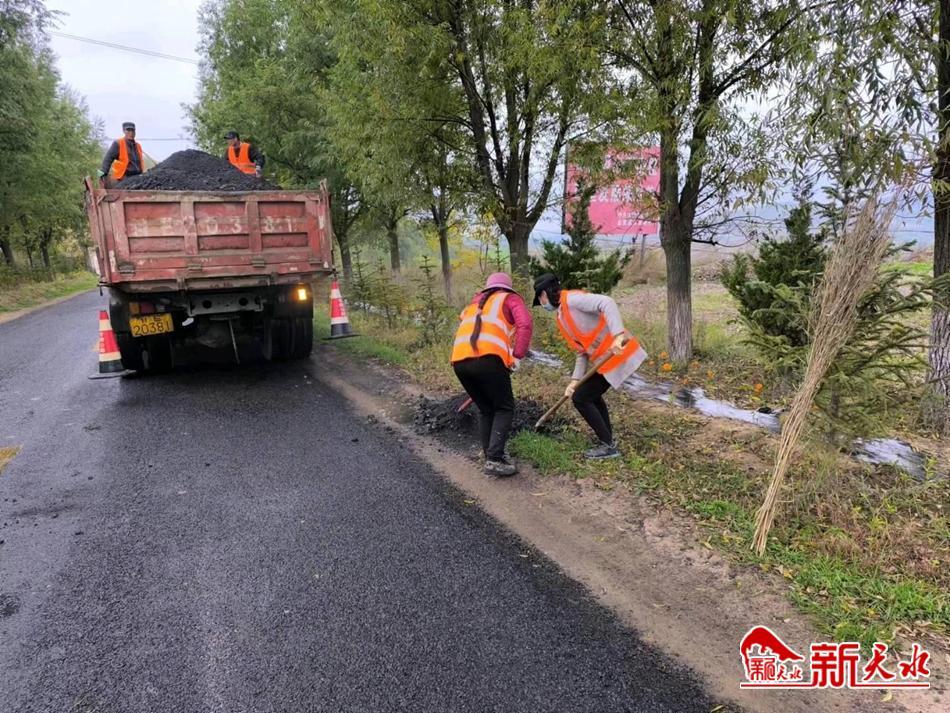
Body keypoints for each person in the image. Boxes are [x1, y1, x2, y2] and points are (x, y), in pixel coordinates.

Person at [532, 272, 647, 459]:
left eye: (540, 298)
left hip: (619, 352)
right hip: (605, 361)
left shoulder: (573, 300)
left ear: (545, 293)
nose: (542, 303)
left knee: (581, 398)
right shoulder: (562, 316)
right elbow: (581, 352)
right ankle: (608, 440)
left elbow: (607, 302)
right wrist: (574, 380)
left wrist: (618, 336)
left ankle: (608, 445)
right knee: (588, 395)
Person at [451, 272, 533, 477]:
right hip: (488, 360)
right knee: (504, 408)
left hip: (459, 362)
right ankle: (495, 459)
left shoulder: (475, 303)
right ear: (507, 287)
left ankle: (489, 454)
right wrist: (518, 356)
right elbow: (525, 324)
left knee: (486, 409)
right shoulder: (509, 298)